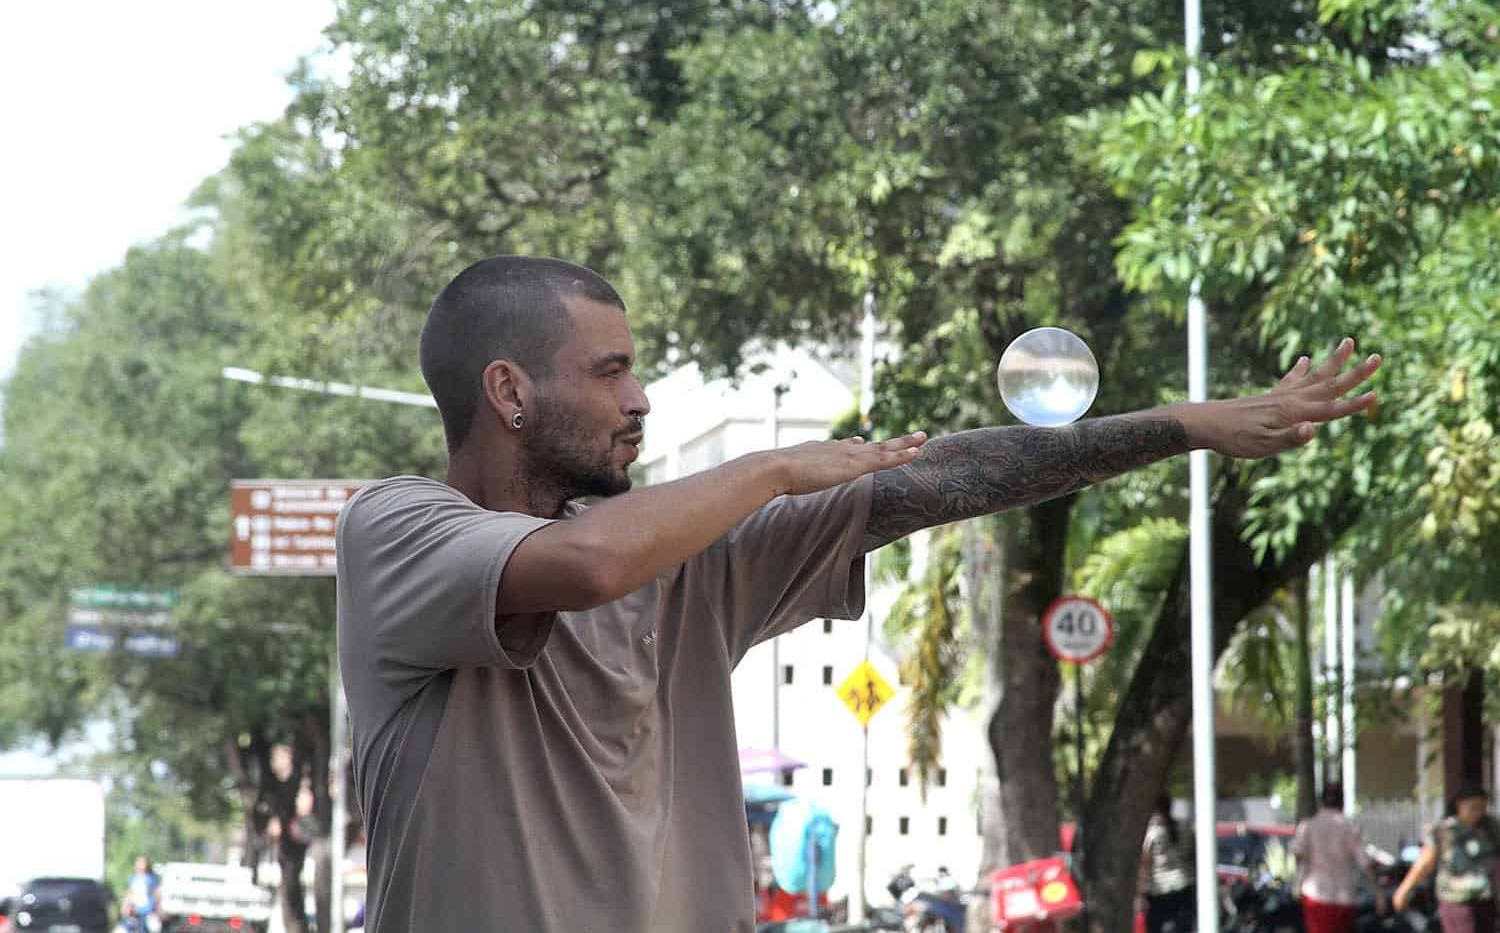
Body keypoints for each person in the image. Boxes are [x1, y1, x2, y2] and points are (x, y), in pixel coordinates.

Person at [335, 255, 1381, 933]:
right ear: (509, 390)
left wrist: (1184, 424)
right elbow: (589, 566)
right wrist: (778, 467)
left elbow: (930, 478)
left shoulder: (694, 562)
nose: (641, 399)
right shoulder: (398, 532)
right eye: (610, 372)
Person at [1394, 781, 1500, 932]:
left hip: (1486, 902)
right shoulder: (1445, 831)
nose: (1478, 813)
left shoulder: (1491, 828)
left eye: (1482, 808)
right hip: (1457, 902)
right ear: (1459, 805)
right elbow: (1425, 863)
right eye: (1473, 808)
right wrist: (1404, 890)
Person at [1293, 782, 1381, 933]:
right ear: (1342, 801)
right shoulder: (1350, 827)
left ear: (1321, 801)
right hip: (1344, 898)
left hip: (1315, 896)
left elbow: (1299, 855)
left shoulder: (1308, 826)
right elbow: (1365, 862)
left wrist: (1297, 882)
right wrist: (1379, 893)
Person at [1139, 795, 1195, 933]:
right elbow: (1193, 856)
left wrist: (1140, 893)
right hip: (1185, 885)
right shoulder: (1185, 828)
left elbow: (1145, 865)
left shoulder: (1152, 834)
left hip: (1159, 891)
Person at [122, 856, 161, 933]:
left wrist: (157, 909)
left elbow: (156, 894)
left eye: (142, 863)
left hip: (148, 911)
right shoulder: (133, 879)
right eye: (138, 863)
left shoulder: (151, 879)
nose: (140, 865)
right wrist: (126, 906)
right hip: (135, 911)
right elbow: (130, 894)